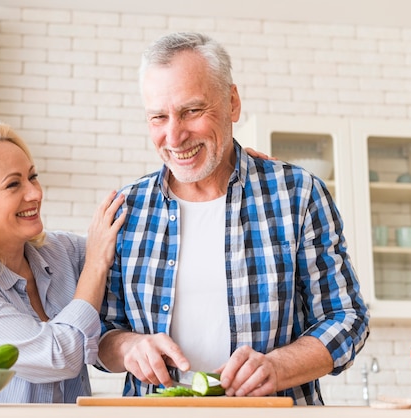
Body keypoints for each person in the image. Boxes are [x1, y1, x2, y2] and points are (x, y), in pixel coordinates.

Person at [97, 32, 370, 406]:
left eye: (192, 111)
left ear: (232, 103)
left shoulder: (298, 194)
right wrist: (129, 348)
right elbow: (100, 332)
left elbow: (347, 318)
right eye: (158, 117)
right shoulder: (127, 210)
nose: (174, 136)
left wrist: (277, 367)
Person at [0, 122, 125, 403]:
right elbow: (59, 356)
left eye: (33, 177)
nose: (35, 193)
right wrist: (96, 265)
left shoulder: (63, 251)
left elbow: (131, 269)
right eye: (13, 184)